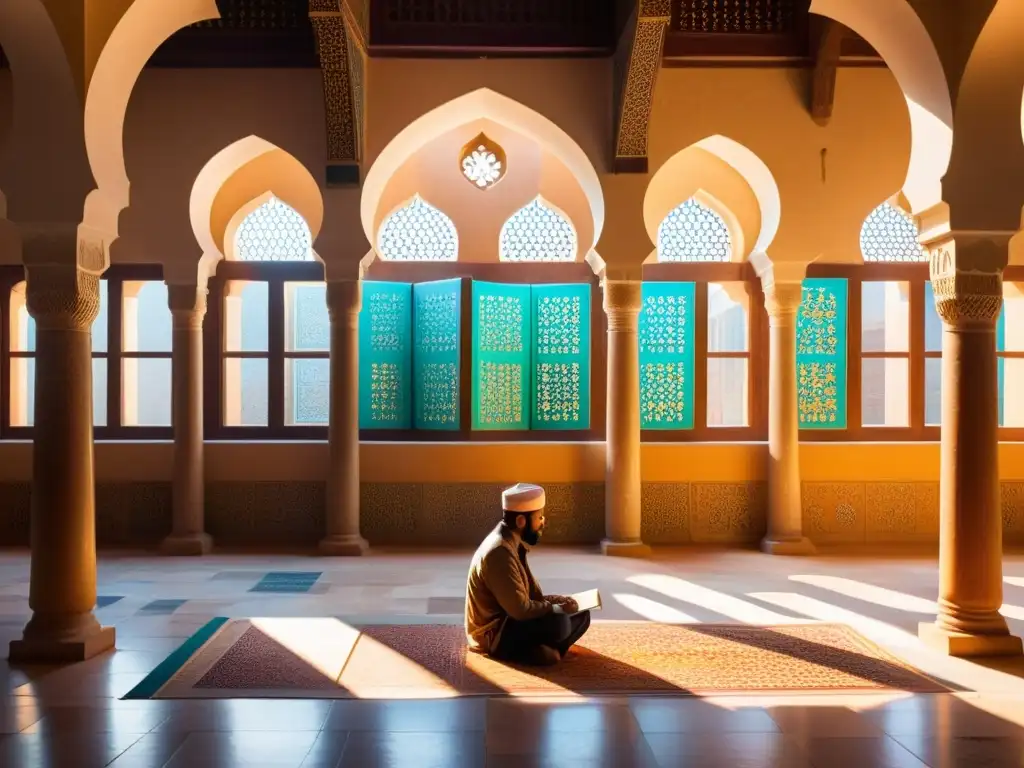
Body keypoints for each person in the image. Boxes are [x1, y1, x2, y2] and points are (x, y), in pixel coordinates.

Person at [464, 482, 591, 666]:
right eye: (539, 517)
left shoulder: (512, 544)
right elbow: (520, 610)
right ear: (521, 521)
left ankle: (541, 651)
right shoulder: (499, 552)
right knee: (559, 623)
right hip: (496, 633)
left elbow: (529, 598)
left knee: (582, 615)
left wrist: (559, 600)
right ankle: (541, 652)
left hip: (514, 620)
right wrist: (555, 608)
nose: (543, 522)